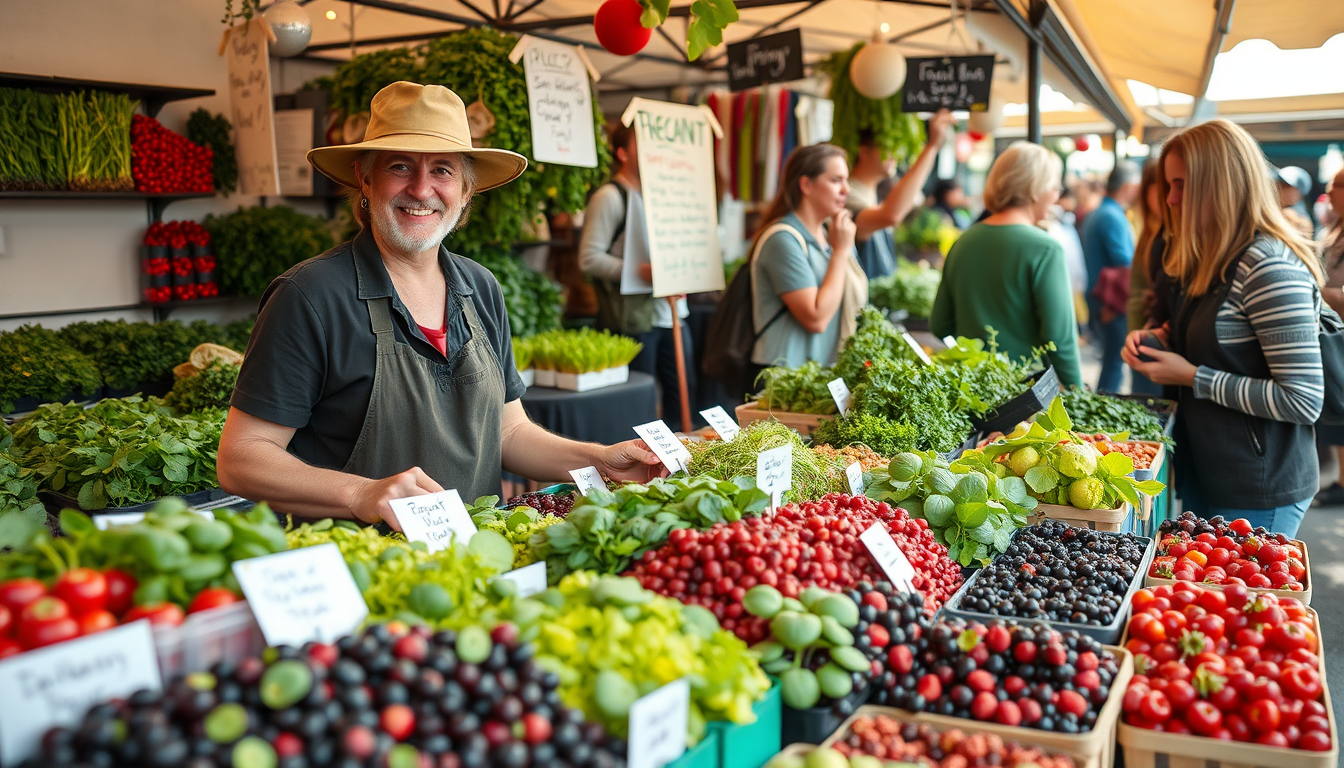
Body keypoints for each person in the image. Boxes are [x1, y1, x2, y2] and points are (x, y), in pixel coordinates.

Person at [217, 82, 663, 529]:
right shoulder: (311, 295)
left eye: (444, 171)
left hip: (469, 561)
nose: (421, 188)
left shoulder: (479, 287)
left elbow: (508, 431)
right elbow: (241, 459)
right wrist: (361, 492)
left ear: (466, 191)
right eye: (399, 166)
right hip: (358, 565)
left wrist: (600, 461)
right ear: (364, 178)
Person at [1122, 119, 1325, 538]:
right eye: (1169, 185)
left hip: (1258, 484)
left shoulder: (1266, 267)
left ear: (1221, 186)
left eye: (1181, 185)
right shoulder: (1212, 257)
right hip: (1210, 465)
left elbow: (1303, 399)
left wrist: (1192, 376)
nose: (1172, 199)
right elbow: (1219, 343)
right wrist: (1160, 339)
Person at [930, 142, 1083, 387]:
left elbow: (939, 325)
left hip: (968, 387)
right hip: (1024, 395)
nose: (1056, 195)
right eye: (1055, 186)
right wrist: (1079, 395)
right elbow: (1060, 340)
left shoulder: (963, 242)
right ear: (1037, 189)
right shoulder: (1045, 249)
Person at [579, 126, 692, 426]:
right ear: (623, 153)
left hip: (675, 315)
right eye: (645, 145)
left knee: (681, 403)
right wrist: (640, 273)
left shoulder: (667, 195)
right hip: (635, 321)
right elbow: (588, 259)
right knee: (641, 411)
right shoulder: (610, 197)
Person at [750, 144, 864, 371]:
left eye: (846, 180)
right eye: (836, 180)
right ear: (806, 185)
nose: (846, 190)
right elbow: (816, 318)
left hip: (820, 373)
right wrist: (841, 252)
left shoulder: (829, 235)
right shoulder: (782, 240)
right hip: (784, 378)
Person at [845, 111, 954, 279]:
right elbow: (891, 215)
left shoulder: (873, 196)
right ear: (863, 150)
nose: (895, 154)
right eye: (887, 146)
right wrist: (932, 146)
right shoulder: (847, 196)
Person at [1081, 161, 1142, 393]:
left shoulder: (1100, 212)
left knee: (1112, 361)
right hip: (1112, 304)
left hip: (1102, 301)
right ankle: (1104, 416)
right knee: (1114, 363)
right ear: (1128, 187)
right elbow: (1125, 264)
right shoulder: (1111, 216)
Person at [1313, 166, 1344, 505]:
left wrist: (1324, 293)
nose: (1329, 191)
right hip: (1332, 333)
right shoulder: (1334, 229)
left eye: (1336, 185)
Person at [1124, 159, 1168, 396]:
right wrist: (1134, 341)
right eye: (1165, 186)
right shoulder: (1152, 234)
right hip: (1148, 343)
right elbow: (1136, 294)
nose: (1172, 196)